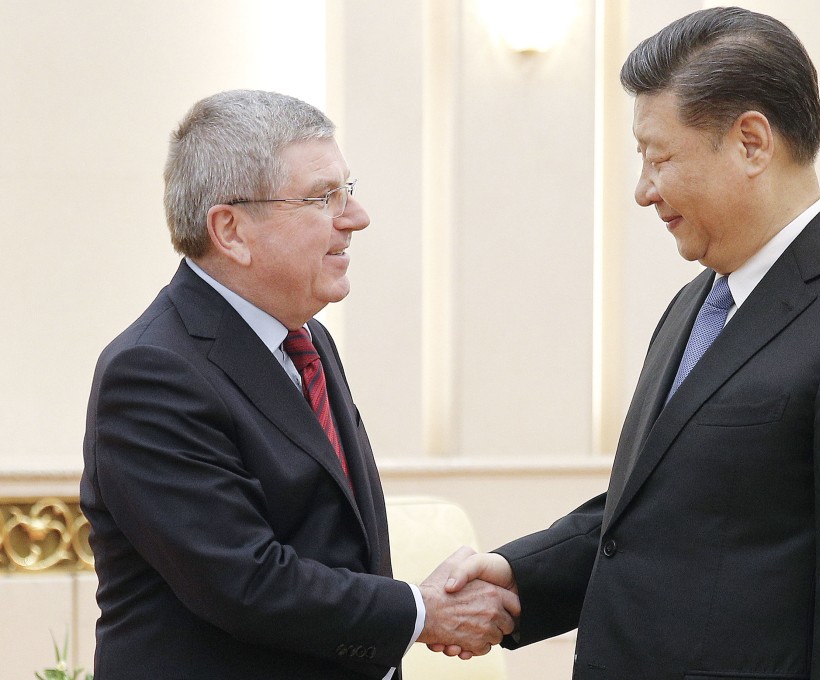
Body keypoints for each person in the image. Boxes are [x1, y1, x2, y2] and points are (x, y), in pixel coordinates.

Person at [442, 7, 820, 679]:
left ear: (751, 142)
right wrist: (520, 577)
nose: (643, 190)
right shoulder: (699, 300)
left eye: (659, 157)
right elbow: (664, 512)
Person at [80, 89, 517, 680]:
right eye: (322, 198)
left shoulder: (306, 339)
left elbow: (337, 543)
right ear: (231, 230)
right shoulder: (151, 372)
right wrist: (421, 613)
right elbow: (246, 581)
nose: (355, 217)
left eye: (348, 190)